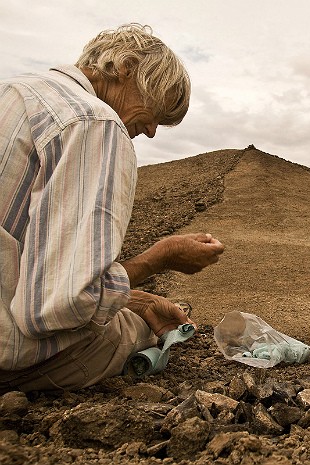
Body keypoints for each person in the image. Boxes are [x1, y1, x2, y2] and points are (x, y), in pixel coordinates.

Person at [0, 24, 225, 392]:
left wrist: (133, 298)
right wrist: (160, 258)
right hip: (9, 355)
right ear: (127, 66)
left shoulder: (14, 91)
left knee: (125, 309)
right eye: (157, 110)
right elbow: (54, 310)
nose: (152, 130)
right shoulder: (95, 123)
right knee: (134, 330)